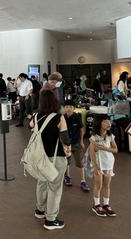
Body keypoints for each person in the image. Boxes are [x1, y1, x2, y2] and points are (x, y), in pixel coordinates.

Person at [31, 91, 71, 230]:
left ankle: (40, 210)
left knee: (41, 183)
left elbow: (31, 126)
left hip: (40, 157)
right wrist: (69, 149)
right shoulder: (59, 118)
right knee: (54, 188)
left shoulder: (36, 116)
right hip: (56, 157)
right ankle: (51, 220)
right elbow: (65, 139)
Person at [88, 115, 118, 217]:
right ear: (99, 123)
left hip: (109, 164)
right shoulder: (94, 137)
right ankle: (96, 205)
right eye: (105, 121)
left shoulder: (110, 136)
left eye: (109, 121)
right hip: (99, 165)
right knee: (98, 185)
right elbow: (91, 153)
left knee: (107, 185)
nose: (109, 123)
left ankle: (106, 204)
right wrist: (95, 166)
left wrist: (105, 148)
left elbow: (115, 150)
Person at [63, 100, 90, 192]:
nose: (68, 109)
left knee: (80, 162)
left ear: (74, 108)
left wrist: (82, 141)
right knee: (67, 162)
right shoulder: (62, 118)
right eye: (66, 107)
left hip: (76, 143)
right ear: (64, 108)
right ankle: (67, 177)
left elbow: (81, 129)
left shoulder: (77, 117)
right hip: (66, 144)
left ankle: (83, 181)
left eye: (70, 107)